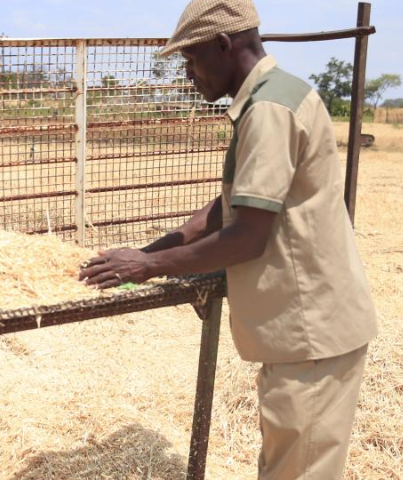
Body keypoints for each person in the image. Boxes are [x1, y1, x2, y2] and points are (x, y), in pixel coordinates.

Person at [79, 0, 378, 478]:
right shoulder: (278, 94)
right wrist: (145, 252)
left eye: (193, 59)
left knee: (297, 470)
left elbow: (246, 238)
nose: (189, 74)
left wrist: (147, 268)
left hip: (310, 336)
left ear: (224, 44)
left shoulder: (269, 111)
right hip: (310, 333)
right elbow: (227, 209)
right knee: (289, 462)